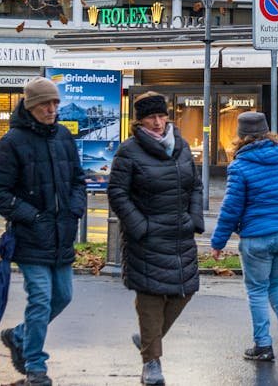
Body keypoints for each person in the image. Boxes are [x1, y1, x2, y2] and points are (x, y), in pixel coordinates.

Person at [0, 77, 87, 386]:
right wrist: (33, 217)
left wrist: (74, 210)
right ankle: (35, 365)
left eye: (55, 103)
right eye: (46, 103)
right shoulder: (12, 142)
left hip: (61, 236)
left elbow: (77, 181)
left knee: (63, 296)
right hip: (31, 237)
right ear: (31, 106)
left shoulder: (64, 138)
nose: (52, 109)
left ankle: (18, 336)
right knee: (41, 299)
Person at [108, 91, 204, 386]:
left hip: (179, 233)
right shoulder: (129, 151)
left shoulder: (182, 146)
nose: (159, 122)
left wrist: (194, 219)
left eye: (162, 116)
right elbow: (118, 193)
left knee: (185, 290)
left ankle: (150, 339)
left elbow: (196, 186)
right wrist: (140, 226)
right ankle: (152, 363)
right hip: (147, 237)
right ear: (140, 120)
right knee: (150, 297)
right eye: (152, 117)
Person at [210, 111, 278, 361]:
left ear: (240, 137)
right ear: (268, 133)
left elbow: (231, 208)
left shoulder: (240, 166)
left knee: (257, 290)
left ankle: (263, 345)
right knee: (277, 283)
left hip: (258, 237)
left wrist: (218, 243)